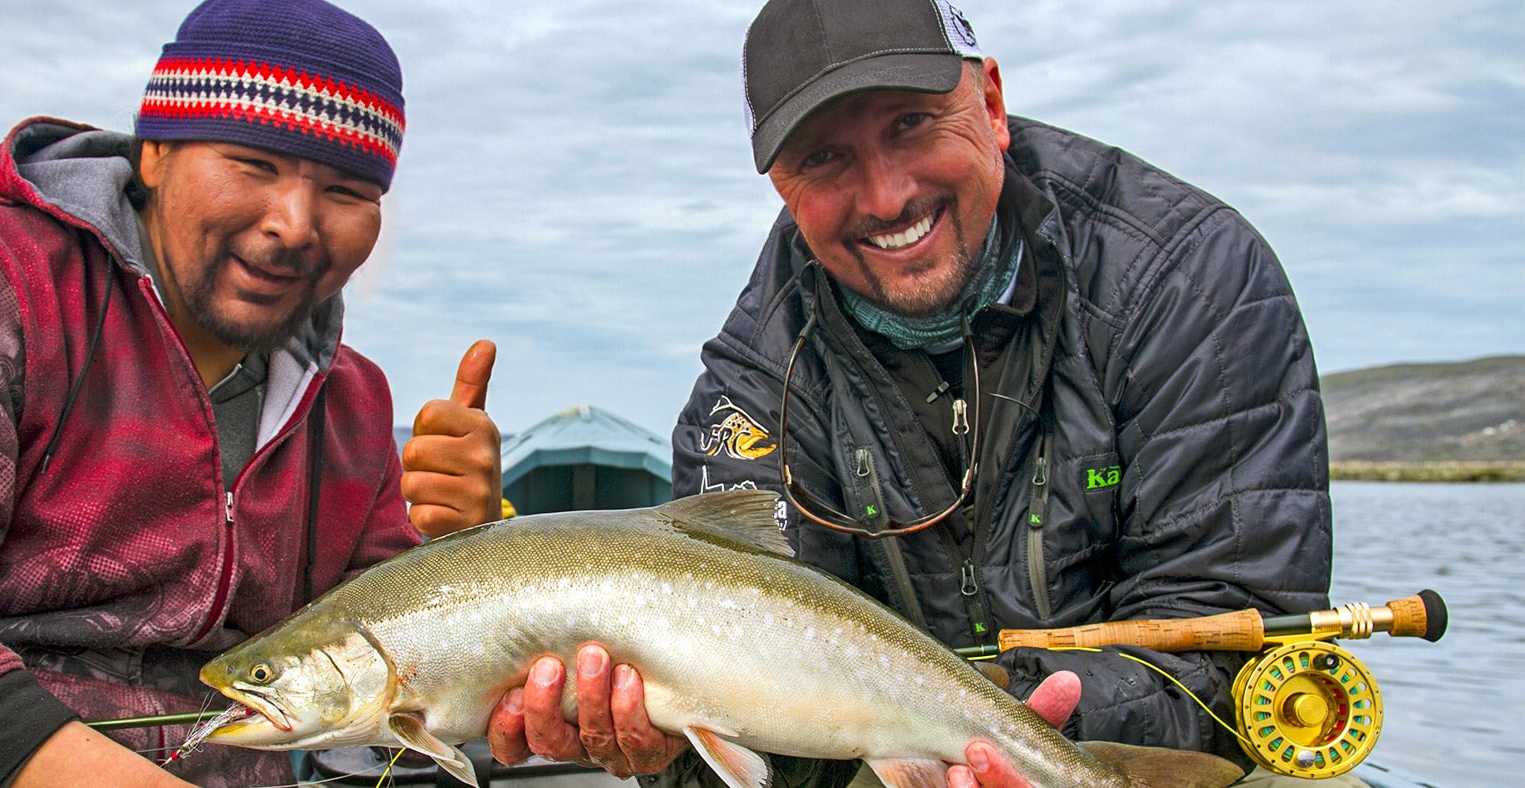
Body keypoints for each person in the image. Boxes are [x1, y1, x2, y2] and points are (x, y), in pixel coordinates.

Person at [487, 1, 1339, 786]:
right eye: (824, 158)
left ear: (993, 104)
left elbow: (1231, 630)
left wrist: (1024, 730)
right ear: (780, 185)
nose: (887, 196)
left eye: (912, 124)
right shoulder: (750, 387)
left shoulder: (1190, 277)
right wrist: (658, 748)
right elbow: (769, 765)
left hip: (1121, 750)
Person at [0, 1, 503, 786]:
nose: (294, 224)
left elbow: (369, 687)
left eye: (346, 190)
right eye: (253, 164)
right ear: (157, 155)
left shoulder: (353, 400)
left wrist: (462, 563)